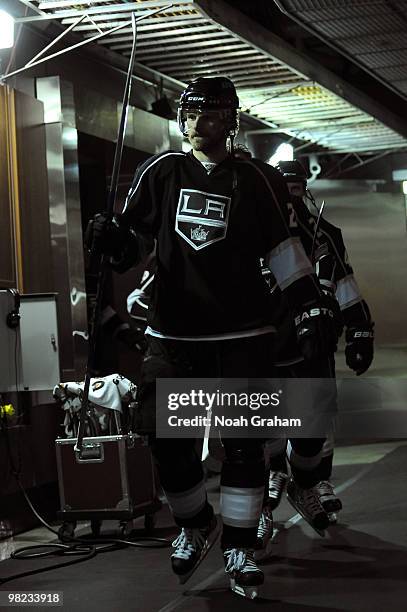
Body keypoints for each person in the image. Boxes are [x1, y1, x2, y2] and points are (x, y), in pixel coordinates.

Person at [88, 76, 337, 599]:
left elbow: (284, 250)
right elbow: (133, 245)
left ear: (231, 121)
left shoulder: (257, 179)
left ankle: (241, 545)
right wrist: (114, 241)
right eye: (191, 113)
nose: (198, 123)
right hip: (174, 334)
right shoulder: (161, 172)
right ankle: (197, 522)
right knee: (166, 440)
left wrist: (309, 306)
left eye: (211, 114)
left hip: (244, 332)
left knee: (244, 445)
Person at [255, 160, 374, 556]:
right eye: (283, 187)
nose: (290, 195)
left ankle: (309, 481)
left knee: (315, 420)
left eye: (295, 187)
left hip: (313, 339)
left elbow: (343, 279)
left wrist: (358, 327)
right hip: (263, 341)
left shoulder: (325, 233)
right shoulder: (254, 227)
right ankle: (268, 484)